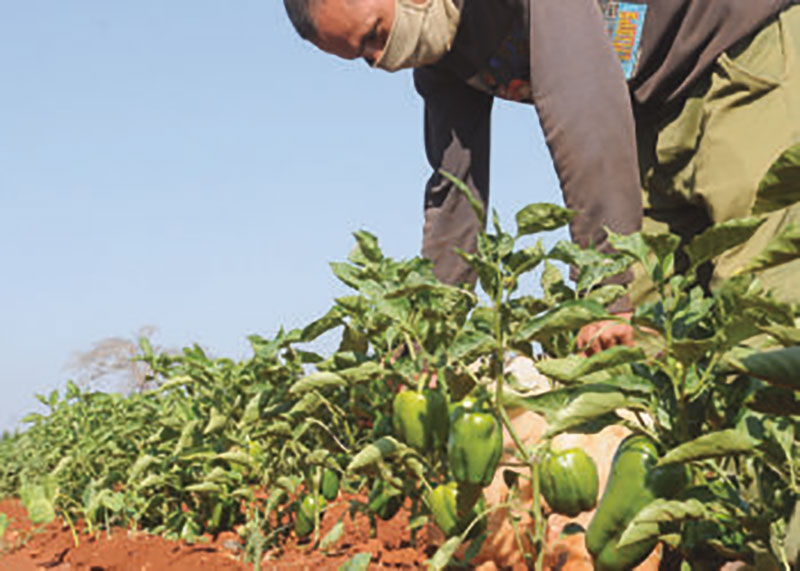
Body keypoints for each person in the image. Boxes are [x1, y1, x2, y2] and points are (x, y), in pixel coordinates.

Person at [283, 0, 800, 354]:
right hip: (647, 115)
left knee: (765, 309)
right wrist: (427, 337)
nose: (382, 59)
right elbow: (454, 193)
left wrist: (605, 290)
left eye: (375, 35)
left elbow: (581, 103)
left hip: (739, 58)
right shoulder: (442, 53)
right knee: (641, 360)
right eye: (363, 58)